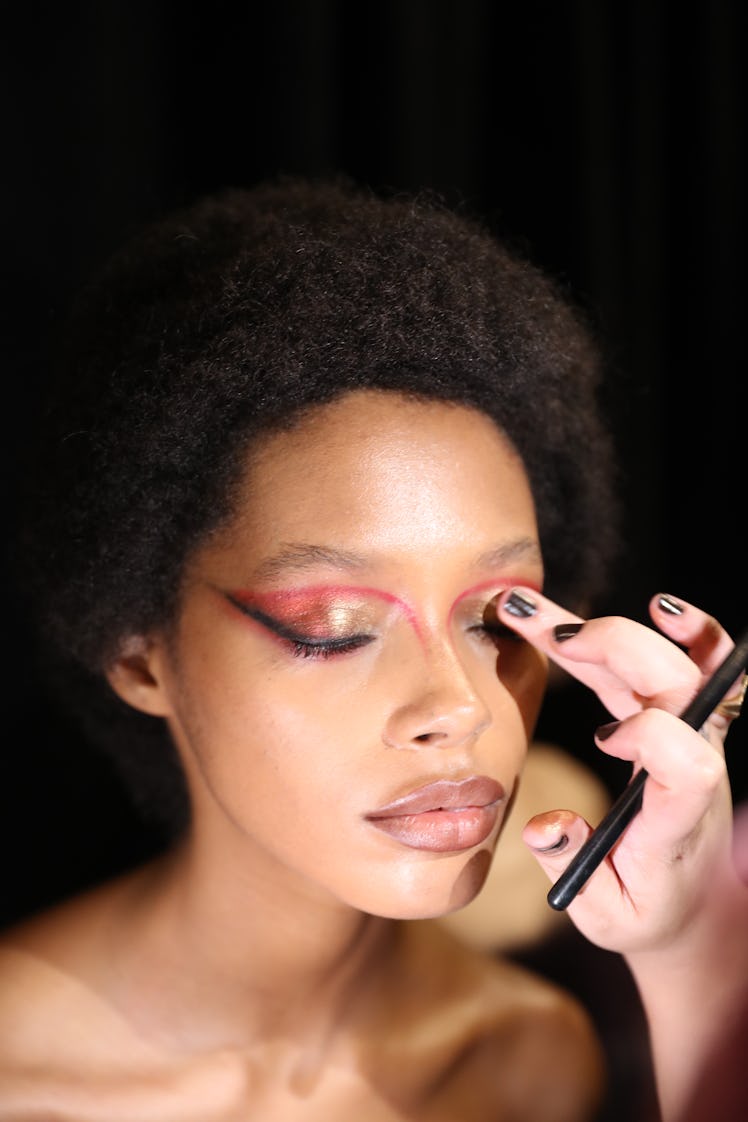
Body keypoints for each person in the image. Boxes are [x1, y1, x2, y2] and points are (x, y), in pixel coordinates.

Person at [1, 175, 745, 1121]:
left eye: (497, 619)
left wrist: (694, 958)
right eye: (336, 632)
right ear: (140, 656)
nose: (461, 709)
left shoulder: (532, 1067)